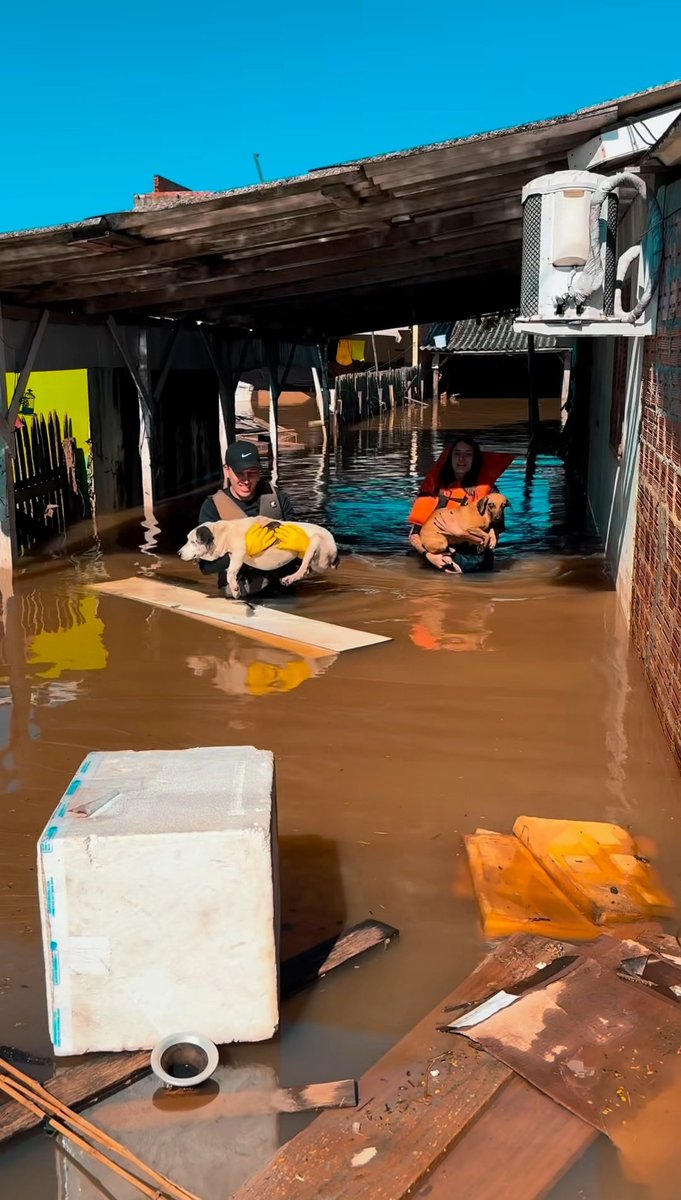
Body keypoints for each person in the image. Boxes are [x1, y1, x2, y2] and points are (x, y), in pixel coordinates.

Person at [196, 441, 299, 596]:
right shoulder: (212, 507)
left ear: (259, 471)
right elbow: (205, 567)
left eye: (251, 473)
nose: (245, 480)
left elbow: (298, 548)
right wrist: (245, 549)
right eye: (239, 473)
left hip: (282, 590)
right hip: (239, 595)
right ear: (227, 470)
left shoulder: (278, 498)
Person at [408, 435, 513, 573]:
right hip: (437, 552)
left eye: (468, 455)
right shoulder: (433, 488)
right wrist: (431, 556)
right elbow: (414, 535)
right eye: (457, 454)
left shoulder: (491, 496)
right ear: (450, 458)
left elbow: (493, 539)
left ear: (474, 460)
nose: (461, 459)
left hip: (472, 555)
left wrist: (459, 533)